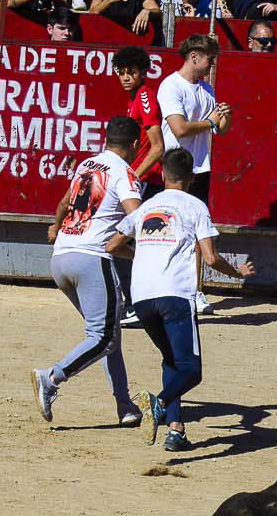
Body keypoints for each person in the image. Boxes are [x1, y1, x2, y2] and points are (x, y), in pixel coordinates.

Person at [107, 148, 254, 451]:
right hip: (175, 294)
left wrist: (142, 256)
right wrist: (237, 273)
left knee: (172, 360)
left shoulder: (146, 206)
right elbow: (211, 258)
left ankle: (176, 430)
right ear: (191, 177)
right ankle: (158, 404)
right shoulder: (194, 205)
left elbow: (112, 245)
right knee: (190, 369)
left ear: (162, 174)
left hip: (142, 298)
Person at [35, 115, 146, 426]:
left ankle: (125, 406)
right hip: (91, 261)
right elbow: (137, 220)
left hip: (61, 260)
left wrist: (57, 228)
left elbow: (63, 203)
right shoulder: (125, 173)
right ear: (136, 145)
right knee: (103, 336)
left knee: (108, 336)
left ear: (105, 139)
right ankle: (52, 377)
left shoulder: (87, 165)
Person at [157, 32, 230, 201]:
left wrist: (226, 116)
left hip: (200, 168)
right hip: (176, 167)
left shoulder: (207, 88)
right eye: (209, 59)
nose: (212, 64)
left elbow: (221, 129)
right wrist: (211, 121)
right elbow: (180, 129)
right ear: (194, 57)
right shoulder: (171, 85)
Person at [114, 43, 168, 181]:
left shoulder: (145, 98)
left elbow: (158, 147)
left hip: (148, 178)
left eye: (132, 72)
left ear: (143, 73)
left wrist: (134, 178)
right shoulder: (134, 98)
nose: (126, 78)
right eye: (121, 73)